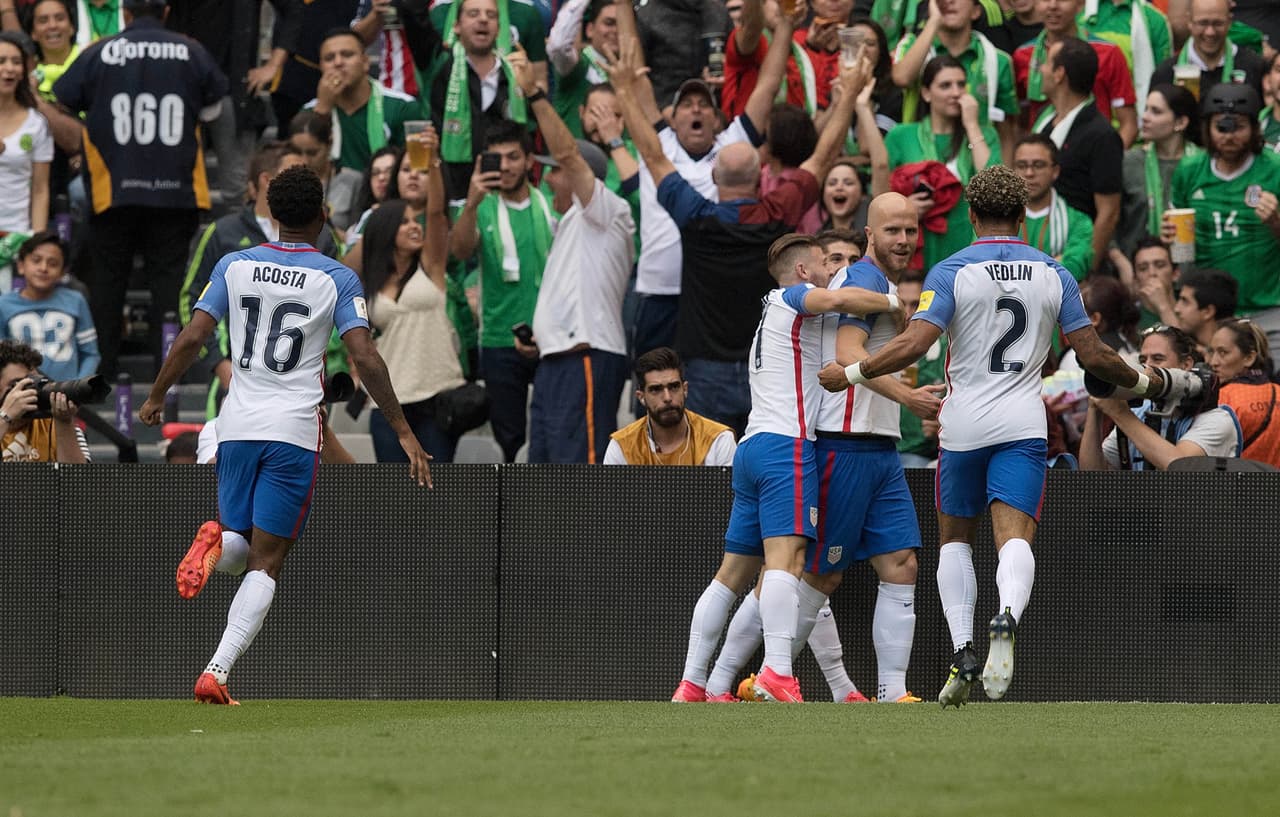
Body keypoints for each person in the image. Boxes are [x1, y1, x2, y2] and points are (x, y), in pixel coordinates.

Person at [819, 165, 1169, 706]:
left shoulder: (951, 270)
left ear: (972, 216)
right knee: (1014, 538)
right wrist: (1145, 382)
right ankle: (1005, 617)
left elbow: (913, 346)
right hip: (1023, 423)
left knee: (956, 540)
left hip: (962, 424)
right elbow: (1094, 354)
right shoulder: (1055, 272)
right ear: (1024, 218)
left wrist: (853, 372)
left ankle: (962, 651)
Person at [138, 165, 431, 705]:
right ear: (323, 215)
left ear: (270, 215)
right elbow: (364, 355)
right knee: (266, 562)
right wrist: (402, 430)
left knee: (239, 545)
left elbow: (195, 336)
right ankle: (217, 672)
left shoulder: (233, 264)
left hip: (237, 425)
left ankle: (215, 542)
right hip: (293, 431)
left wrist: (156, 396)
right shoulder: (336, 278)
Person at [671, 233, 899, 703]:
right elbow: (838, 297)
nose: (831, 271)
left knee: (730, 576)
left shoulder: (773, 312)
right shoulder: (792, 297)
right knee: (788, 564)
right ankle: (777, 672)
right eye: (823, 263)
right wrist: (896, 300)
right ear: (802, 272)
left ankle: (693, 683)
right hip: (785, 447)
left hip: (753, 446)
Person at [612, 30, 867, 436]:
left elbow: (653, 155)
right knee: (762, 465)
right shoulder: (778, 211)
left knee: (713, 471)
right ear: (758, 178)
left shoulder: (696, 217)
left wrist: (624, 90)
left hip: (705, 366)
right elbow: (822, 157)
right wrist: (849, 94)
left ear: (713, 176)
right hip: (765, 362)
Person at [801, 192, 945, 705]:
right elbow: (847, 357)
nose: (904, 240)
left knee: (901, 562)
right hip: (846, 444)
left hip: (879, 448)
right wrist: (909, 397)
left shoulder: (879, 284)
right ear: (869, 234)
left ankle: (892, 692)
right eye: (893, 231)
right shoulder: (864, 280)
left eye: (911, 230)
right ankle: (755, 675)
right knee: (817, 573)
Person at [52, 0, 228, 379]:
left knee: (107, 285)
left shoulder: (99, 51)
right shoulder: (191, 50)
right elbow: (215, 109)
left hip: (112, 189)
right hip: (174, 191)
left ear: (126, 13)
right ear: (166, 11)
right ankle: (170, 376)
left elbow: (63, 98)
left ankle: (102, 373)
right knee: (169, 286)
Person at [508, 50, 634, 464]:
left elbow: (568, 155)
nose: (547, 175)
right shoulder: (569, 224)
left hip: (587, 357)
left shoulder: (605, 210)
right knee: (544, 470)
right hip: (556, 362)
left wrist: (535, 95)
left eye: (555, 170)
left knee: (579, 474)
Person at [181, 142, 342, 419]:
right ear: (267, 180)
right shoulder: (223, 233)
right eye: (295, 171)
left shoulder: (324, 236)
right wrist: (219, 363)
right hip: (236, 377)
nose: (304, 180)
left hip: (300, 384)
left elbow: (333, 308)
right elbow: (191, 300)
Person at [449, 118, 551, 463]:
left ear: (529, 161)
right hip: (498, 341)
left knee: (551, 432)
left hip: (551, 337)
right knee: (509, 440)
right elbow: (460, 251)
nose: (505, 166)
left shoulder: (550, 202)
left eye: (513, 157)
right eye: (497, 158)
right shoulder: (481, 206)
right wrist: (472, 203)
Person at [359, 133, 462, 463]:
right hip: (387, 404)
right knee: (394, 503)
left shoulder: (431, 266)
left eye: (413, 221)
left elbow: (435, 215)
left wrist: (431, 161)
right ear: (387, 230)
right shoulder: (370, 278)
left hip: (436, 398)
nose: (414, 227)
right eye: (404, 223)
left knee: (438, 498)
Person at [1166, 83, 1280, 351]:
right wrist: (1168, 237)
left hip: (1267, 307)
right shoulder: (1189, 170)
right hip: (1209, 315)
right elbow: (1178, 244)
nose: (1229, 137)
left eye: (1238, 127)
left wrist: (1276, 221)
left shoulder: (1275, 169)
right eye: (1221, 127)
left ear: (1254, 128)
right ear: (1207, 128)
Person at [880, 54, 1000, 271]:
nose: (956, 93)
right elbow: (881, 193)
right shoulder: (901, 135)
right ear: (926, 93)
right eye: (946, 85)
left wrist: (972, 125)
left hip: (967, 245)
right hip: (917, 247)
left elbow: (993, 184)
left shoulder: (985, 135)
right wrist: (906, 209)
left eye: (961, 85)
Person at [1079, 323, 1240, 470]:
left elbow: (1180, 466)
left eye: (1157, 359)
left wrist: (1120, 414)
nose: (1147, 368)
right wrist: (1095, 410)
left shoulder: (1217, 419)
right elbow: (1092, 475)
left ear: (1186, 365)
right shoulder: (1140, 413)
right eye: (1143, 360)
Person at [430, 0, 537, 204]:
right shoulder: (439, 67)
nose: (483, 19)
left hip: (509, 194)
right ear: (456, 26)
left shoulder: (516, 74)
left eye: (491, 15)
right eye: (473, 14)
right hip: (455, 193)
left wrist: (531, 88)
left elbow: (530, 132)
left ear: (499, 28)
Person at [1034, 36, 1123, 272]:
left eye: (1046, 63)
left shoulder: (1102, 135)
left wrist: (1083, 270)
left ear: (1059, 73)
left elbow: (1109, 212)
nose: (1040, 69)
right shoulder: (1043, 120)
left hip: (1073, 260)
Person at [892, 0, 1018, 164]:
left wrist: (1004, 182)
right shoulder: (913, 45)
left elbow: (1006, 133)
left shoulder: (998, 61)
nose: (949, 2)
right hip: (920, 160)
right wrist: (933, 22)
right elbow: (902, 78)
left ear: (976, 11)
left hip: (977, 165)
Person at [1014, 0, 1137, 147]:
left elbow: (1128, 124)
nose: (1053, 6)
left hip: (1093, 151)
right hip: (1042, 160)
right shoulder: (1022, 56)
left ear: (1080, 5)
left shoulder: (1108, 53)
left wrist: (1107, 159)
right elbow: (1017, 123)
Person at [308, 27, 424, 177]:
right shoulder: (309, 113)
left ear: (365, 62)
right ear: (321, 67)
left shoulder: (402, 107)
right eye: (329, 58)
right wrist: (322, 110)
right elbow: (304, 168)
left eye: (347, 55)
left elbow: (418, 170)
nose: (338, 63)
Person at [604, 346, 736, 465]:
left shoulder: (718, 439)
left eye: (674, 387)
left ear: (685, 389)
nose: (667, 398)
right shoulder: (622, 445)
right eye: (656, 389)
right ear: (641, 397)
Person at [1116, 84, 1200, 257]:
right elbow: (1109, 219)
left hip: (1194, 267)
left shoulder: (1202, 164)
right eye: (1145, 109)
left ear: (1181, 122)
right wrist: (1121, 263)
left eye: (1156, 111)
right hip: (1136, 267)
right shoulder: (1128, 162)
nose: (1145, 117)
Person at [0, 231, 97, 381]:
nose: (43, 268)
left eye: (53, 263)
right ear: (20, 265)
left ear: (63, 272)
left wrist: (78, 389)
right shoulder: (3, 304)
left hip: (69, 395)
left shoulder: (76, 301)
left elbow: (91, 354)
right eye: (36, 260)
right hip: (21, 394)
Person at [1013, 133, 1093, 279]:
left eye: (1038, 165)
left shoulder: (1078, 222)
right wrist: (1054, 263)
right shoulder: (997, 217)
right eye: (1022, 166)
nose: (1029, 173)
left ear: (1055, 171)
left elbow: (1074, 268)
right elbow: (983, 262)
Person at [1150, 0, 1266, 100]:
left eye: (1218, 24)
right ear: (1189, 22)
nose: (1210, 32)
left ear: (1229, 22)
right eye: (1202, 23)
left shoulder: (1253, 67)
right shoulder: (1166, 74)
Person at [0, 337, 89, 462]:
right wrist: (5, 417)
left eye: (34, 382)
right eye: (19, 384)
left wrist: (64, 423)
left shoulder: (55, 422)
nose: (30, 391)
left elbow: (77, 480)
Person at [1078, 0, 1173, 114]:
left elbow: (1163, 85)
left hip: (1135, 120)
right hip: (1081, 119)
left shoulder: (1155, 20)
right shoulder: (1076, 12)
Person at [0, 31, 51, 237]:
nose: (9, 68)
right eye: (1, 61)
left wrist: (36, 241)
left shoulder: (36, 124)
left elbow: (40, 189)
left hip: (16, 235)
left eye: (16, 62)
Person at [1211, 317, 1280, 467]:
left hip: (1237, 487)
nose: (1213, 362)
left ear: (1249, 358)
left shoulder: (1223, 398)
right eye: (1212, 352)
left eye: (1223, 353)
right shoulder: (1278, 392)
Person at [546, 0, 617, 137]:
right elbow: (558, 47)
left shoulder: (634, 72)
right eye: (609, 23)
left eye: (622, 25)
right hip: (578, 156)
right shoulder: (578, 67)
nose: (616, 30)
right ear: (590, 30)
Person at [1172, 266, 1237, 350]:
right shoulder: (1189, 352)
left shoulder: (1235, 357)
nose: (1176, 309)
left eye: (1185, 302)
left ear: (1208, 312)